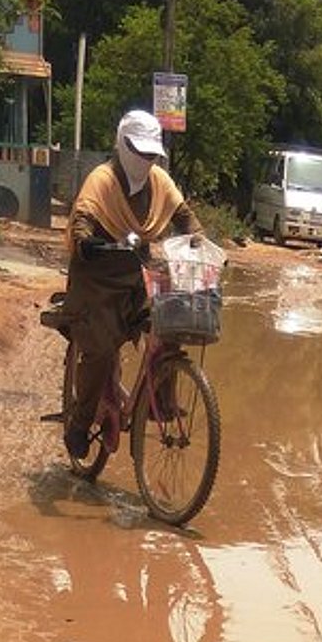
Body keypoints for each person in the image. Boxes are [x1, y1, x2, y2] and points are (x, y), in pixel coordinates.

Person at [62, 109, 203, 459]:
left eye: (151, 153)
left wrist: (200, 241)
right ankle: (79, 424)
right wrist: (85, 241)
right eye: (139, 151)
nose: (145, 159)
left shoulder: (160, 183)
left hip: (136, 274)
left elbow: (186, 218)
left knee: (170, 325)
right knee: (102, 350)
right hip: (96, 279)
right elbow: (83, 217)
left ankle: (160, 402)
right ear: (122, 145)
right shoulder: (102, 179)